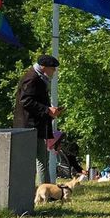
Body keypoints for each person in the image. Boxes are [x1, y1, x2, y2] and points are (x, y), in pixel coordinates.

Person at [13, 55, 64, 185]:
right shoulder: (32, 78)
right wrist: (47, 110)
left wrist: (50, 110)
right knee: (38, 161)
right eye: (52, 68)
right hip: (29, 126)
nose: (54, 71)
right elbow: (26, 101)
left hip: (35, 125)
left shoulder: (38, 78)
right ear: (43, 67)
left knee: (43, 159)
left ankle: (47, 190)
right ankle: (43, 191)